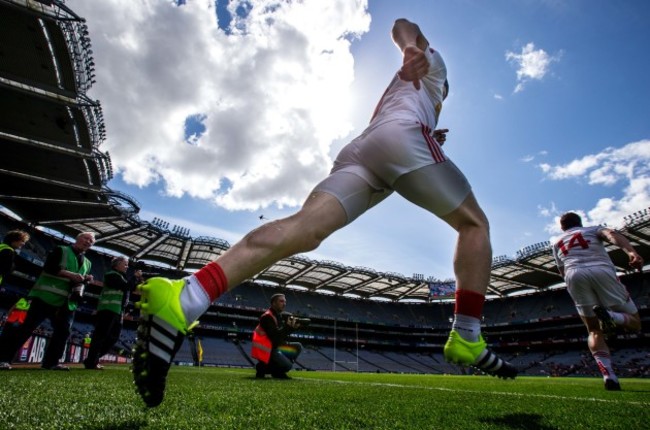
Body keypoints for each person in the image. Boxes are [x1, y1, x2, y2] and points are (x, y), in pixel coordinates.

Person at [131, 18, 516, 408]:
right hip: (400, 137)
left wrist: (428, 131)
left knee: (304, 229)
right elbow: (404, 25)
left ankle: (186, 297)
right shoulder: (436, 75)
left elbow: (403, 111)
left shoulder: (399, 95)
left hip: (363, 150)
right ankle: (467, 332)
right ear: (444, 93)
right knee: (474, 224)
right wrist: (411, 49)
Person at [551, 212, 643, 391]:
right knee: (636, 324)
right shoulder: (593, 229)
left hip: (573, 275)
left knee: (593, 330)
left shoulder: (557, 243)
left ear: (562, 227)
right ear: (580, 223)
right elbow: (612, 235)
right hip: (600, 270)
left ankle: (608, 375)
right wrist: (632, 252)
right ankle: (612, 316)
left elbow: (561, 271)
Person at [0, 232, 95, 370]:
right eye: (86, 238)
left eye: (91, 241)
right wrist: (71, 275)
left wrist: (86, 280)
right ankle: (3, 359)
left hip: (67, 302)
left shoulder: (88, 262)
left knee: (63, 333)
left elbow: (79, 280)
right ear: (77, 238)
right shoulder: (61, 250)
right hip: (44, 296)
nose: (88, 242)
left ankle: (51, 363)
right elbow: (49, 267)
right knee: (25, 329)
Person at [83, 256, 142, 370]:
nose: (127, 266)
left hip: (117, 310)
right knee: (101, 336)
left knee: (113, 338)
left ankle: (92, 359)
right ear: (117, 264)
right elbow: (126, 287)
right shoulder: (111, 274)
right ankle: (91, 362)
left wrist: (137, 279)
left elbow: (130, 287)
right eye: (125, 264)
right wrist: (134, 277)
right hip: (108, 308)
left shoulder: (121, 276)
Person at [251, 293, 303, 379]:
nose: (284, 303)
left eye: (285, 302)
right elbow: (274, 338)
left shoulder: (278, 316)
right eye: (281, 301)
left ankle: (278, 370)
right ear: (274, 303)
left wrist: (292, 328)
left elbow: (281, 335)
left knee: (298, 346)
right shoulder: (267, 317)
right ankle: (262, 368)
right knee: (288, 366)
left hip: (274, 346)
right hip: (267, 348)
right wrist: (288, 327)